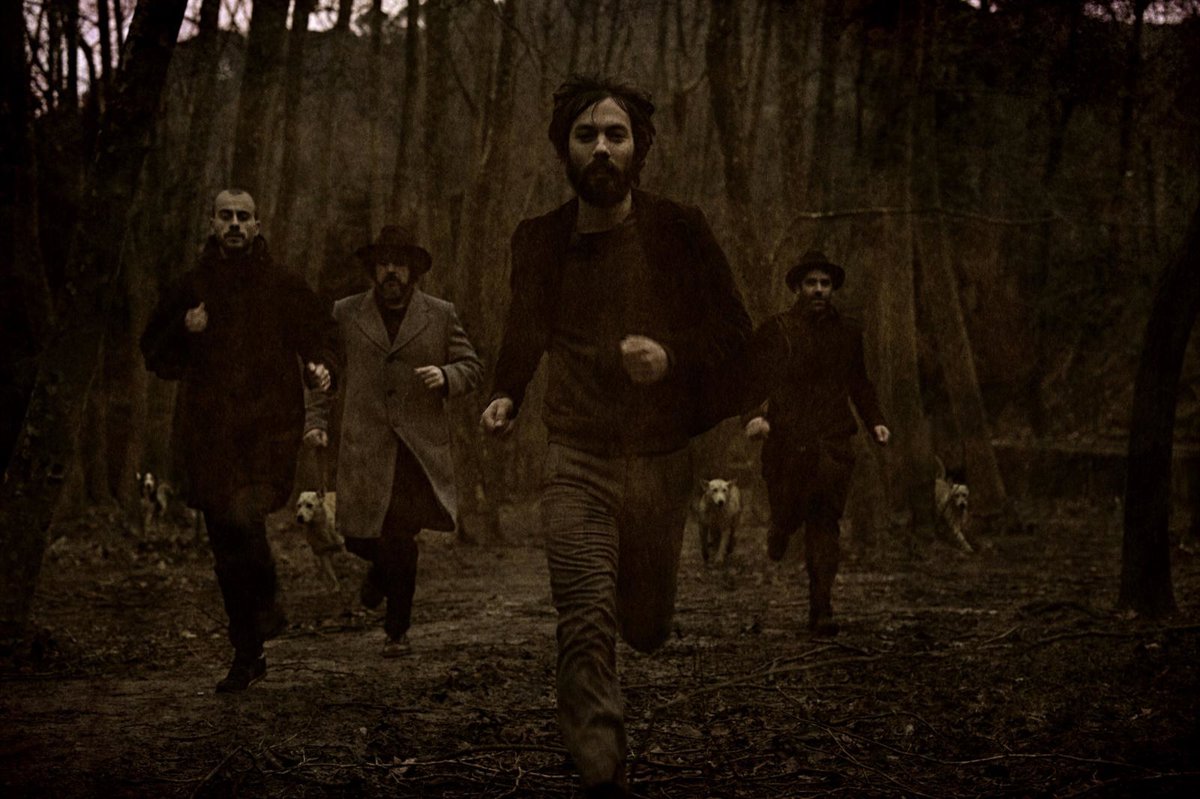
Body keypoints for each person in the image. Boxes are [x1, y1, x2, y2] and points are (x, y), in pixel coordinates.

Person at [479, 75, 751, 798]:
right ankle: (602, 770)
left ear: (639, 148)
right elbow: (524, 328)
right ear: (564, 150)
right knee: (585, 615)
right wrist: (505, 392)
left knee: (646, 625)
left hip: (661, 462)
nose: (601, 148)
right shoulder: (540, 240)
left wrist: (671, 359)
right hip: (576, 456)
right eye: (586, 135)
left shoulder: (680, 230)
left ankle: (645, 617)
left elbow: (735, 334)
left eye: (616, 134)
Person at [141, 188, 337, 692]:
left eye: (243, 217)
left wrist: (321, 367)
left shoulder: (282, 284)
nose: (234, 224)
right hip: (210, 434)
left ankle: (267, 597)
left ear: (257, 225)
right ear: (212, 223)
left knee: (243, 514)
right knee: (226, 546)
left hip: (270, 429)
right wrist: (185, 329)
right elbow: (155, 355)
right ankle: (247, 654)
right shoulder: (192, 287)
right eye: (225, 216)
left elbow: (319, 335)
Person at [304, 225, 482, 657]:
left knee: (400, 537)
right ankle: (380, 574)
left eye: (399, 265)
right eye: (383, 264)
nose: (391, 273)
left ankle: (397, 631)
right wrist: (316, 421)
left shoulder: (440, 314)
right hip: (364, 447)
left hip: (416, 451)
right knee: (357, 537)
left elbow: (471, 366)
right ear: (373, 269)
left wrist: (446, 376)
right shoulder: (345, 312)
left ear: (413, 271)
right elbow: (325, 372)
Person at [742, 249, 890, 637]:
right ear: (798, 288)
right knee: (789, 511)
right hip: (786, 442)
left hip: (833, 440)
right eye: (811, 283)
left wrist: (876, 421)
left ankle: (821, 608)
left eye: (825, 283)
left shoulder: (848, 333)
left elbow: (859, 383)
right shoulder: (776, 331)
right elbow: (752, 380)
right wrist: (754, 416)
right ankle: (780, 527)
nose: (819, 290)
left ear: (833, 288)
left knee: (825, 520)